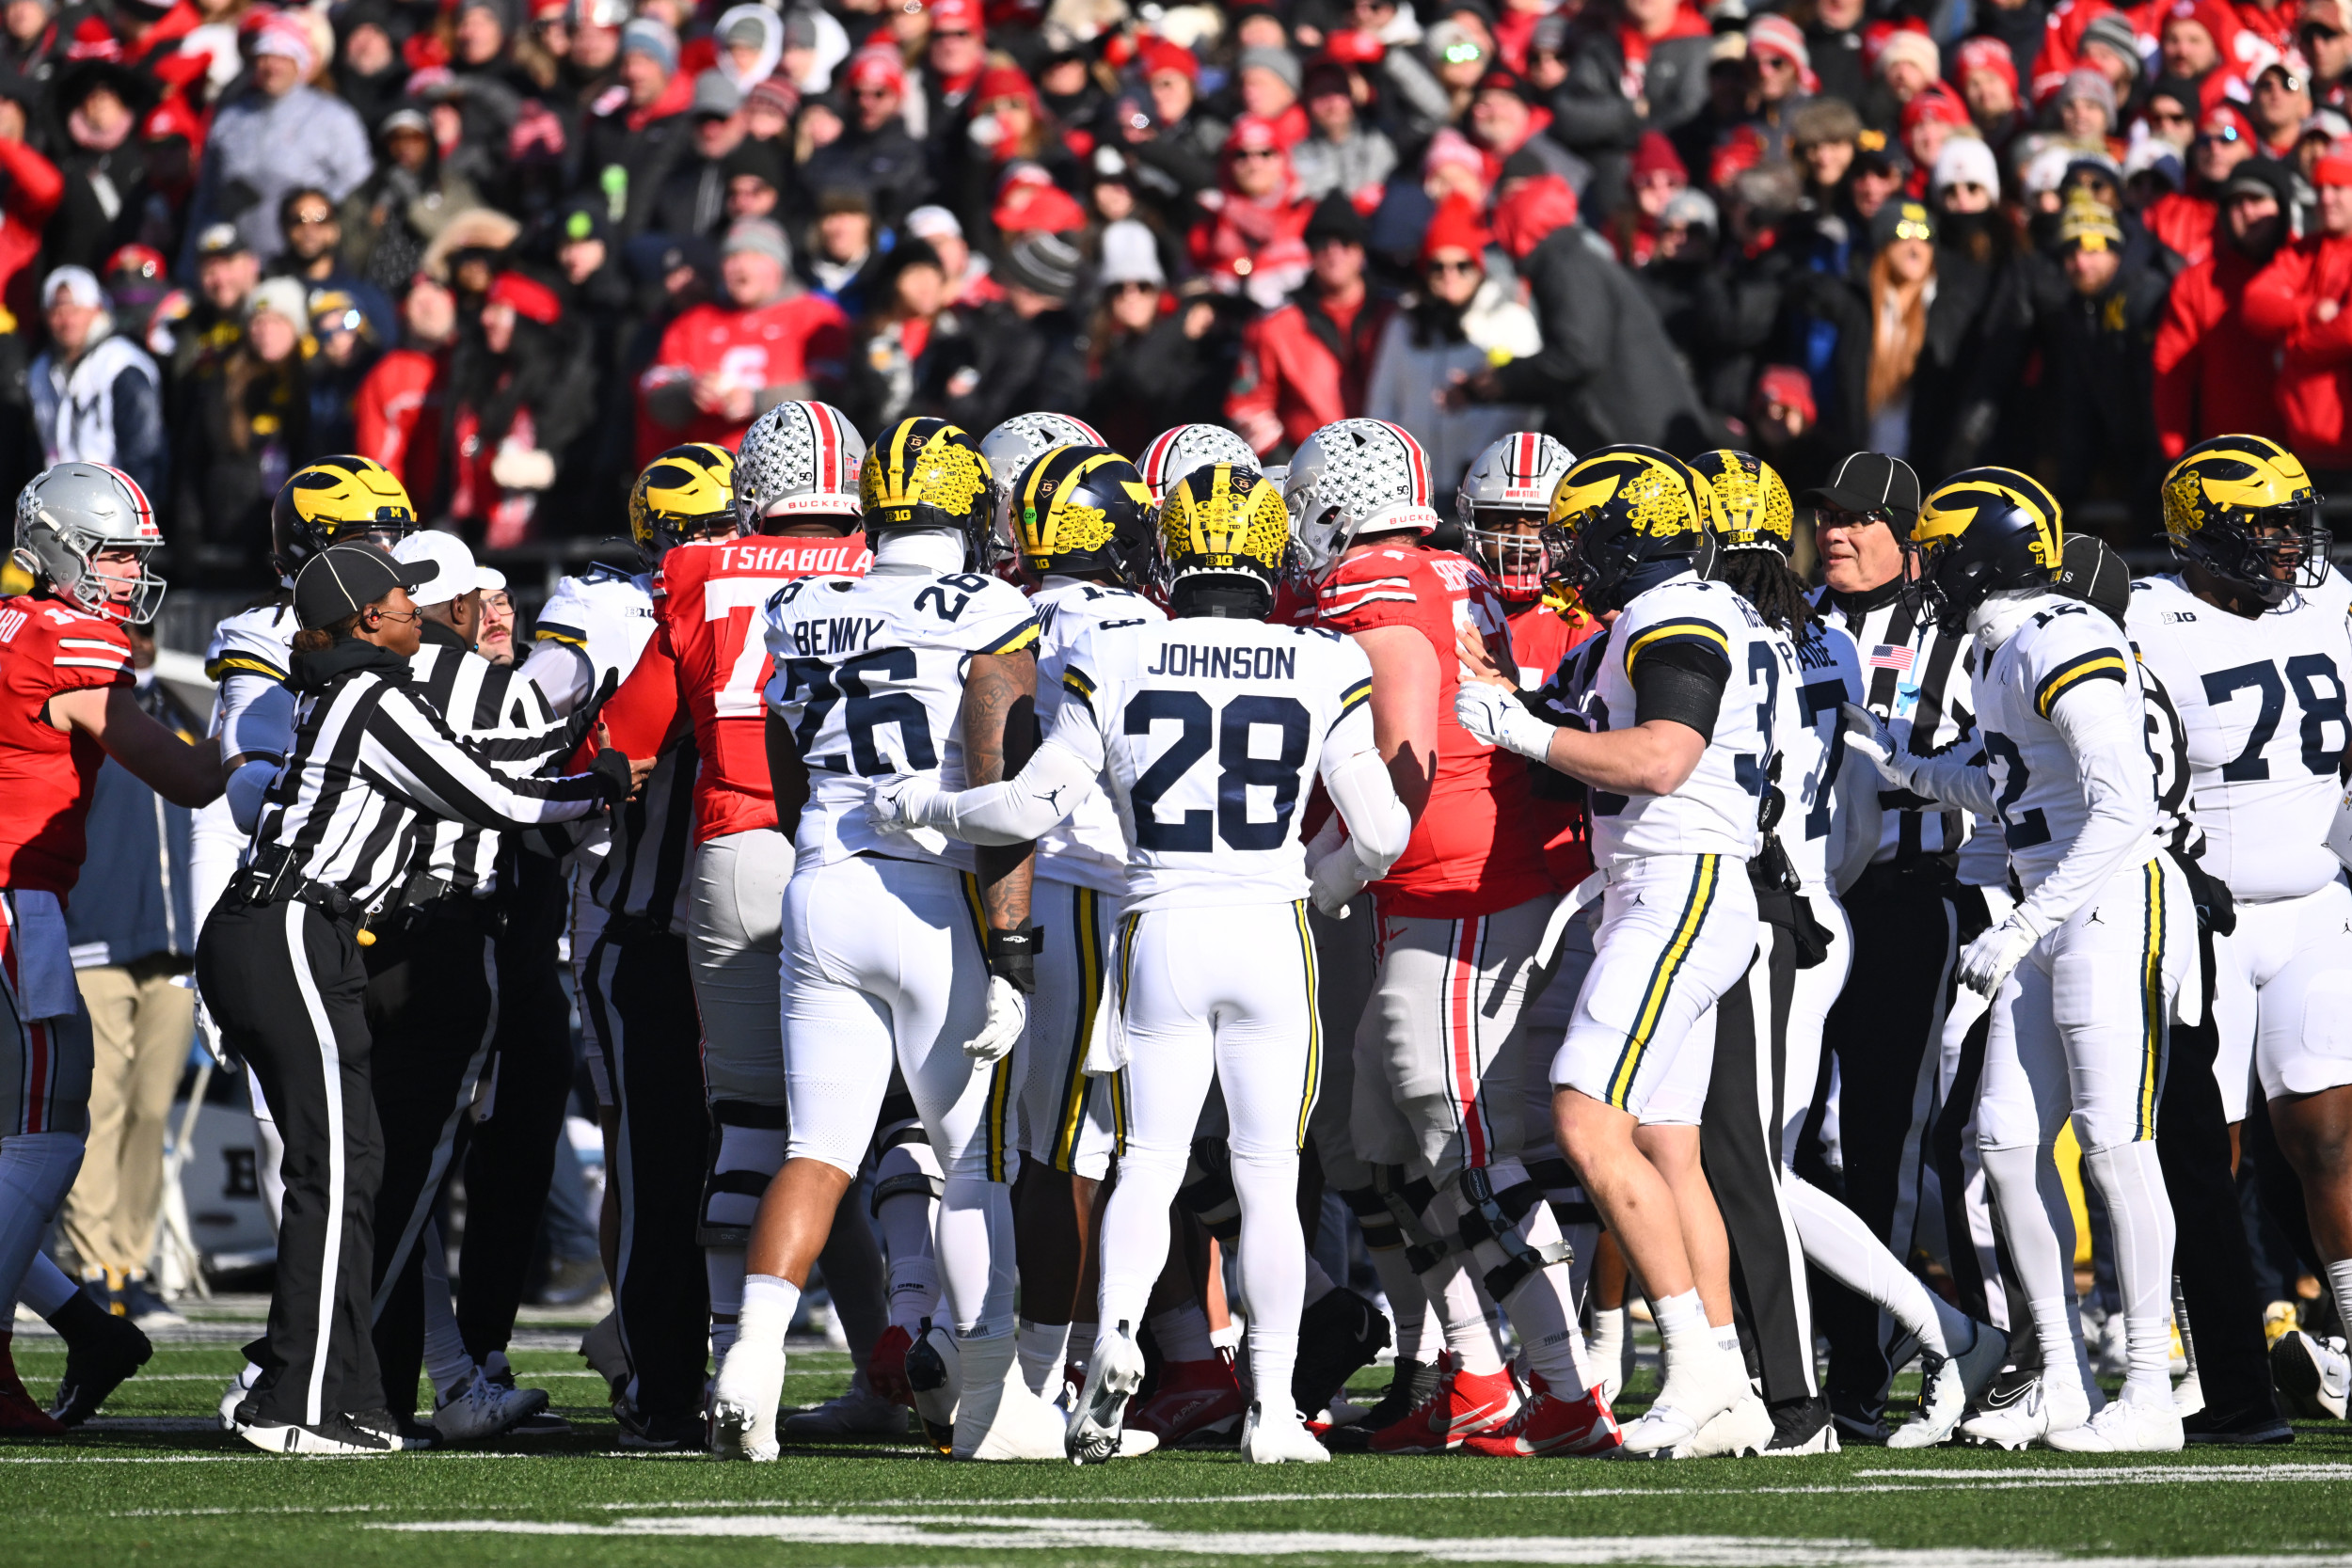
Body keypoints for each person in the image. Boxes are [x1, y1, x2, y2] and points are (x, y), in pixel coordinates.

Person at [878, 459, 1412, 1465]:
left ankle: (1111, 1360)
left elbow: (1031, 806)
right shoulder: (1321, 660)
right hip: (1267, 926)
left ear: (1170, 553)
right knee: (1263, 1174)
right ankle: (1272, 1412)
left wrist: (931, 805)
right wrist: (1319, 879)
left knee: (1146, 1161)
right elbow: (1380, 831)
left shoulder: (1117, 654)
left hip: (1158, 921)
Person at [198, 538, 628, 1454]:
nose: (416, 617)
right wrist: (598, 783)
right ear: (366, 620)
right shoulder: (369, 691)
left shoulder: (349, 685)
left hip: (296, 931)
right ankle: (293, 1400)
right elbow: (491, 794)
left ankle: (318, 1383)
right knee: (341, 1168)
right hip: (288, 927)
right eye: (401, 602)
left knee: (353, 1165)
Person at [1845, 467, 2192, 1451]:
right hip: (2053, 907)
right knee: (2000, 1140)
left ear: (1977, 554)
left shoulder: (2060, 633)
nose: (1920, 568)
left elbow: (2121, 809)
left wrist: (2018, 921)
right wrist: (1897, 761)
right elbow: (2010, 785)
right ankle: (2062, 1376)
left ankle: (2147, 1386)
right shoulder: (2004, 646)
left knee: (2116, 1139)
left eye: (1934, 550)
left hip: (2108, 898)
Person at [1452, 443, 1777, 1457]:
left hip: (1679, 882)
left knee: (1582, 1115)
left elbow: (1660, 759)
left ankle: (1697, 1369)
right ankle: (1731, 1379)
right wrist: (1525, 707)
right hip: (1664, 884)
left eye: (1576, 534)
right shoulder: (1653, 616)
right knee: (1667, 1147)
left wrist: (1518, 730)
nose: (1559, 554)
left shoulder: (1678, 612)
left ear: (1625, 536)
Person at [2130, 436, 2352, 1429]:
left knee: (2330, 1137)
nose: (2281, 545)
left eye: (2288, 523)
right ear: (2197, 534)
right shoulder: (2141, 619)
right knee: (2198, 1151)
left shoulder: (2329, 598)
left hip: (2312, 902)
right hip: (2199, 911)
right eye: (2257, 525)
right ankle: (2194, 1347)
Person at [0, 463, 221, 1437]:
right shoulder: (65, 636)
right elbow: (179, 773)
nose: (131, 573)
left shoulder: (14, 625)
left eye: (137, 555)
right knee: (52, 1123)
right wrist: (269, 730)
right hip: (19, 900)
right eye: (116, 552)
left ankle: (87, 1324)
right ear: (56, 546)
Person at [58, 616, 202, 1325]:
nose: (136, 640)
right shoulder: (80, 703)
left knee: (152, 1109)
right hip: (98, 932)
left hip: (177, 941)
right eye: (123, 628)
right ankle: (92, 1267)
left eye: (142, 630)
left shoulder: (184, 706)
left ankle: (131, 1261)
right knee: (99, 1105)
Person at [637, 217, 849, 463]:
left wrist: (760, 401)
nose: (740, 266)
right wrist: (690, 393)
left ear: (778, 266)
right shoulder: (694, 323)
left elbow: (833, 392)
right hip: (710, 477)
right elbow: (653, 392)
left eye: (755, 256)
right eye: (732, 257)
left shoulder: (817, 316)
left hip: (794, 473)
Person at [183, 18, 372, 266]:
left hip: (307, 262)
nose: (272, 66)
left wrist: (311, 213)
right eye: (264, 57)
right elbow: (206, 197)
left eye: (282, 57)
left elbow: (357, 187)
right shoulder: (230, 119)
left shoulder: (333, 117)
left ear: (300, 62)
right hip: (237, 262)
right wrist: (188, 263)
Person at [1228, 195, 1392, 457]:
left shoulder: (1395, 318)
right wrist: (1289, 466)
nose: (1333, 251)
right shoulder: (1274, 326)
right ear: (1309, 252)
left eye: (1345, 241)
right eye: (1321, 243)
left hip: (1389, 464)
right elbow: (1248, 407)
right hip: (1310, 471)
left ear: (1361, 251)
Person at [29, 266, 166, 505]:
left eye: (75, 309)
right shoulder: (40, 371)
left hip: (115, 508)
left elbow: (144, 453)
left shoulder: (121, 364)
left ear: (96, 309)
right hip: (62, 509)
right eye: (56, 310)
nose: (65, 320)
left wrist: (139, 517)